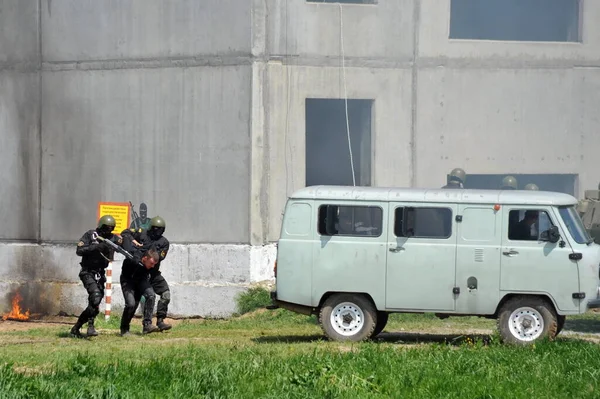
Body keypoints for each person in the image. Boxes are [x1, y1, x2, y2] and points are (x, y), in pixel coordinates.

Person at [70, 215, 123, 338]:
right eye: (106, 228)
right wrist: (95, 247)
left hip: (100, 274)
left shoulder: (113, 238)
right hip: (87, 272)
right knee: (95, 296)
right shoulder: (91, 235)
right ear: (101, 226)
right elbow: (79, 250)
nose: (108, 230)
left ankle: (85, 327)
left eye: (111, 228)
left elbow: (123, 244)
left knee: (95, 302)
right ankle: (79, 326)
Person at [121, 216, 172, 331]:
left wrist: (141, 251)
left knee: (165, 295)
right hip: (138, 272)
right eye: (155, 228)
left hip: (153, 273)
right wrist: (133, 243)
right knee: (133, 303)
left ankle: (159, 321)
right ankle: (126, 328)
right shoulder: (141, 233)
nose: (157, 231)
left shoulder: (164, 243)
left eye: (160, 229)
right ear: (151, 227)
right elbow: (125, 233)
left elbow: (156, 257)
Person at [119, 246, 161, 336]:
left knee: (151, 295)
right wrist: (133, 262)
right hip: (128, 281)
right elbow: (128, 246)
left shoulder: (152, 266)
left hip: (141, 280)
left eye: (154, 264)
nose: (152, 266)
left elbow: (151, 274)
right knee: (131, 304)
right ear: (145, 258)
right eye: (151, 263)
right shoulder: (133, 258)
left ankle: (147, 325)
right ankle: (124, 329)